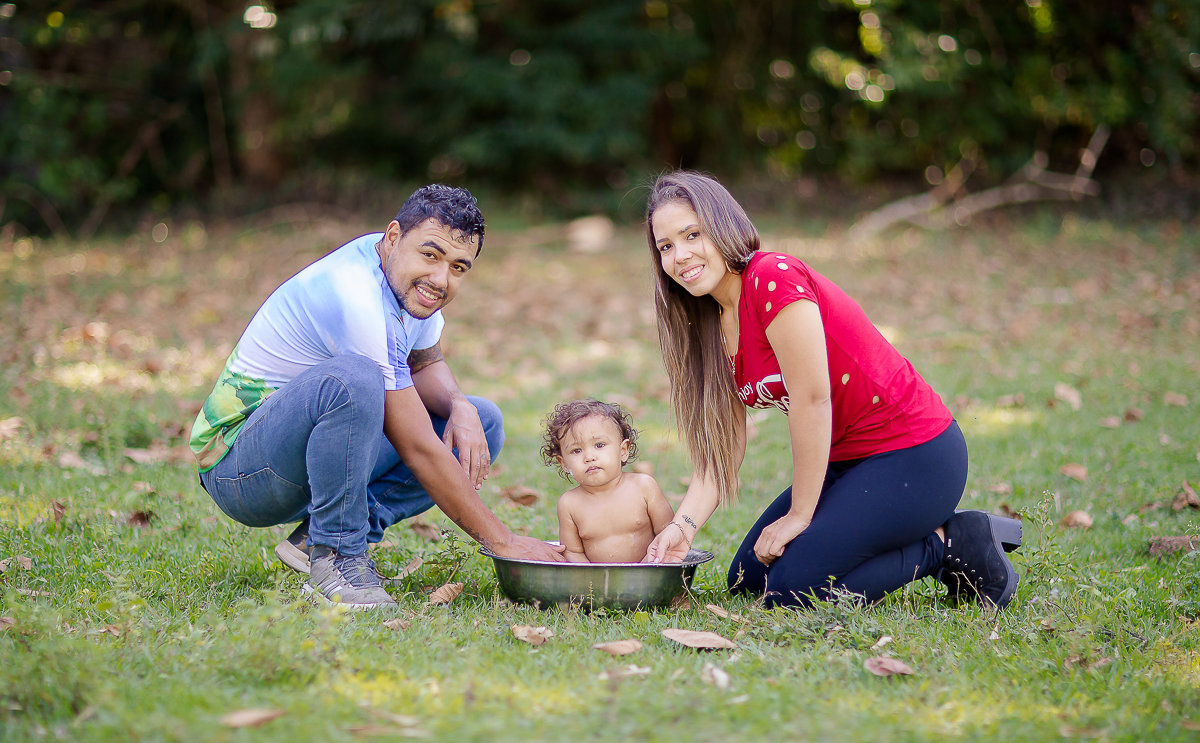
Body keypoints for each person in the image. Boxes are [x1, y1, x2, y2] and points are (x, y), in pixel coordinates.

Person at [641, 171, 1020, 609]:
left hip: (915, 455)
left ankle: (951, 543)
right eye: (666, 246)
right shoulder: (711, 323)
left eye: (692, 234)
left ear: (723, 225)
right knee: (747, 580)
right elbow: (723, 452)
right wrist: (683, 528)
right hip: (846, 465)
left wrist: (800, 516)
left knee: (790, 591)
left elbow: (813, 399)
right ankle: (888, 535)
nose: (680, 255)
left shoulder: (771, 278)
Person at [189, 184, 564, 610]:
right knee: (355, 381)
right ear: (392, 237)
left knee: (482, 419)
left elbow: (424, 362)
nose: (441, 279)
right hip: (239, 469)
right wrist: (505, 541)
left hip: (295, 457)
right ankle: (337, 556)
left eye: (459, 267)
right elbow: (418, 446)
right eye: (431, 255)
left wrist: (459, 404)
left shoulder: (407, 283)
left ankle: (315, 536)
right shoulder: (353, 291)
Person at [542, 399, 674, 563]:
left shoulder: (644, 487)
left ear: (623, 450)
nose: (589, 457)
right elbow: (573, 552)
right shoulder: (569, 504)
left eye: (599, 445)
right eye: (577, 450)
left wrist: (645, 568)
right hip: (599, 583)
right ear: (563, 463)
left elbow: (668, 533)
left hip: (649, 573)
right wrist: (593, 583)